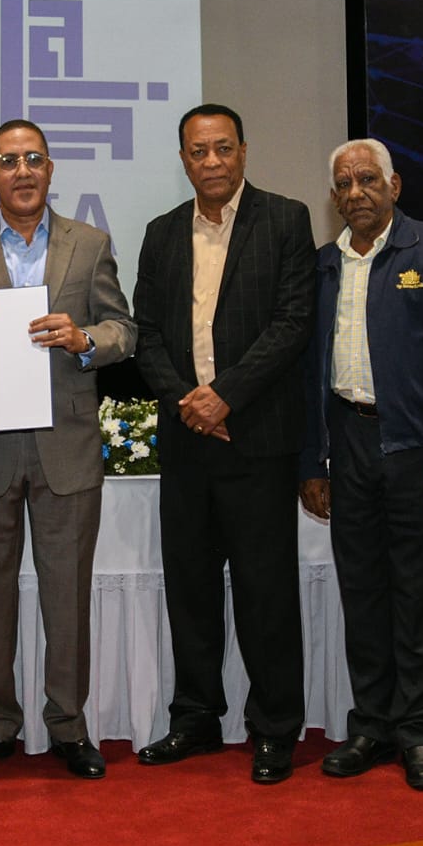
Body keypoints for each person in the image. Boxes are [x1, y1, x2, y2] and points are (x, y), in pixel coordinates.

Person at [0, 119, 137, 781]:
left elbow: (124, 330)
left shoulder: (91, 242)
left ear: (51, 171)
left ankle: (69, 726)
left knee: (66, 593)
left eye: (34, 160)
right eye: (8, 161)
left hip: (65, 444)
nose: (22, 171)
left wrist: (84, 339)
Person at [133, 104, 317, 784]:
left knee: (267, 592)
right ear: (183, 159)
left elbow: (293, 322)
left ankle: (274, 726)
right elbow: (145, 331)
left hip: (256, 438)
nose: (212, 162)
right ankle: (196, 718)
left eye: (223, 149)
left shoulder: (286, 219)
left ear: (243, 151)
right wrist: (189, 401)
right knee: (190, 589)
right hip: (188, 440)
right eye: (198, 152)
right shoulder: (160, 233)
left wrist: (225, 394)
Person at [298, 139, 423, 791]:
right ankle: (372, 724)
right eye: (343, 183)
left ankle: (419, 730)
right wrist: (311, 461)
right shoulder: (323, 264)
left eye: (368, 179)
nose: (356, 193)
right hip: (347, 442)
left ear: (395, 185)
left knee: (422, 595)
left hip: (420, 448)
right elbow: (309, 373)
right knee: (365, 591)